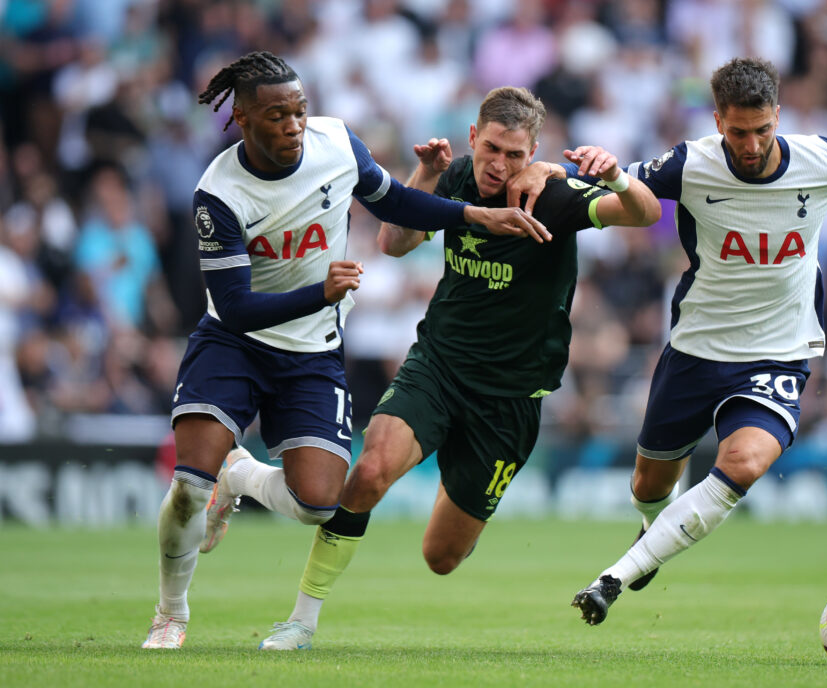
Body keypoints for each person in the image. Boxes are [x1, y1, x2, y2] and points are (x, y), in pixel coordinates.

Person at [204, 85, 661, 650]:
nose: (499, 165)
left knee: (442, 557)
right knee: (368, 474)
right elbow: (396, 242)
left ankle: (254, 477)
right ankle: (300, 621)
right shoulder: (457, 178)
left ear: (534, 151)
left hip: (510, 399)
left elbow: (645, 212)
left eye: (515, 155)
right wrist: (423, 175)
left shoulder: (554, 195)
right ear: (474, 137)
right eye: (491, 148)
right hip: (438, 367)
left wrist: (615, 176)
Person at [507, 56, 827, 626]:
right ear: (718, 119)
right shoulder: (689, 164)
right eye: (738, 132)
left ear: (779, 116)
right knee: (650, 484)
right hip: (698, 347)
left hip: (779, 350)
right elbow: (619, 188)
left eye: (763, 130)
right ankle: (654, 532)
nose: (751, 145)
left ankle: (612, 579)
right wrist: (550, 168)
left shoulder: (822, 160)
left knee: (741, 464)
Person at [141, 51, 550, 650]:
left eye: (300, 111)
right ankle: (171, 614)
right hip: (235, 344)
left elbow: (395, 207)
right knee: (188, 488)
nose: (293, 125)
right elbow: (233, 305)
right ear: (243, 121)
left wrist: (475, 216)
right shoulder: (218, 194)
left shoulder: (337, 143)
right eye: (277, 115)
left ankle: (243, 476)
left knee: (318, 503)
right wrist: (320, 291)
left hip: (312, 354)